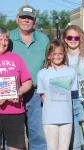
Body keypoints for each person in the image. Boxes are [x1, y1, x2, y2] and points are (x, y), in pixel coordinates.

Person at [9, 5, 49, 150]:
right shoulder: (8, 38)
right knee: (14, 135)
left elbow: (49, 64)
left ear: (34, 21)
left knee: (38, 134)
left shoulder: (43, 39)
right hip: (12, 93)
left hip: (37, 94)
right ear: (17, 19)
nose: (26, 20)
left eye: (30, 18)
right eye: (23, 17)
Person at [37, 40, 78, 150]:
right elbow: (43, 96)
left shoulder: (71, 72)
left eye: (60, 53)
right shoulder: (42, 74)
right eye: (54, 54)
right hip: (49, 119)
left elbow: (72, 94)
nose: (58, 56)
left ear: (64, 54)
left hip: (67, 118)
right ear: (49, 56)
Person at [62, 25, 84, 150]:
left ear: (80, 39)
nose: (73, 40)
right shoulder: (62, 57)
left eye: (76, 37)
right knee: (74, 144)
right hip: (67, 102)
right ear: (65, 39)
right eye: (70, 37)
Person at [0, 27, 32, 150]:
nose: (3, 42)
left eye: (6, 39)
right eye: (0, 39)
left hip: (14, 112)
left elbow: (28, 82)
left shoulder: (16, 58)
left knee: (16, 147)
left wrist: (17, 92)